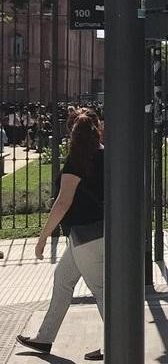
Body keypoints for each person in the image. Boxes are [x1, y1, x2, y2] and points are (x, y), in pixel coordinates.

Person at [16, 111, 105, 360]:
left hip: (86, 237)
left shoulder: (76, 162)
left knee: (100, 289)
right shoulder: (105, 154)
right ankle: (44, 338)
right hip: (95, 235)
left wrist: (43, 236)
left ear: (71, 133)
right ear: (97, 129)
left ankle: (114, 342)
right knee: (63, 279)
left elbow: (63, 202)